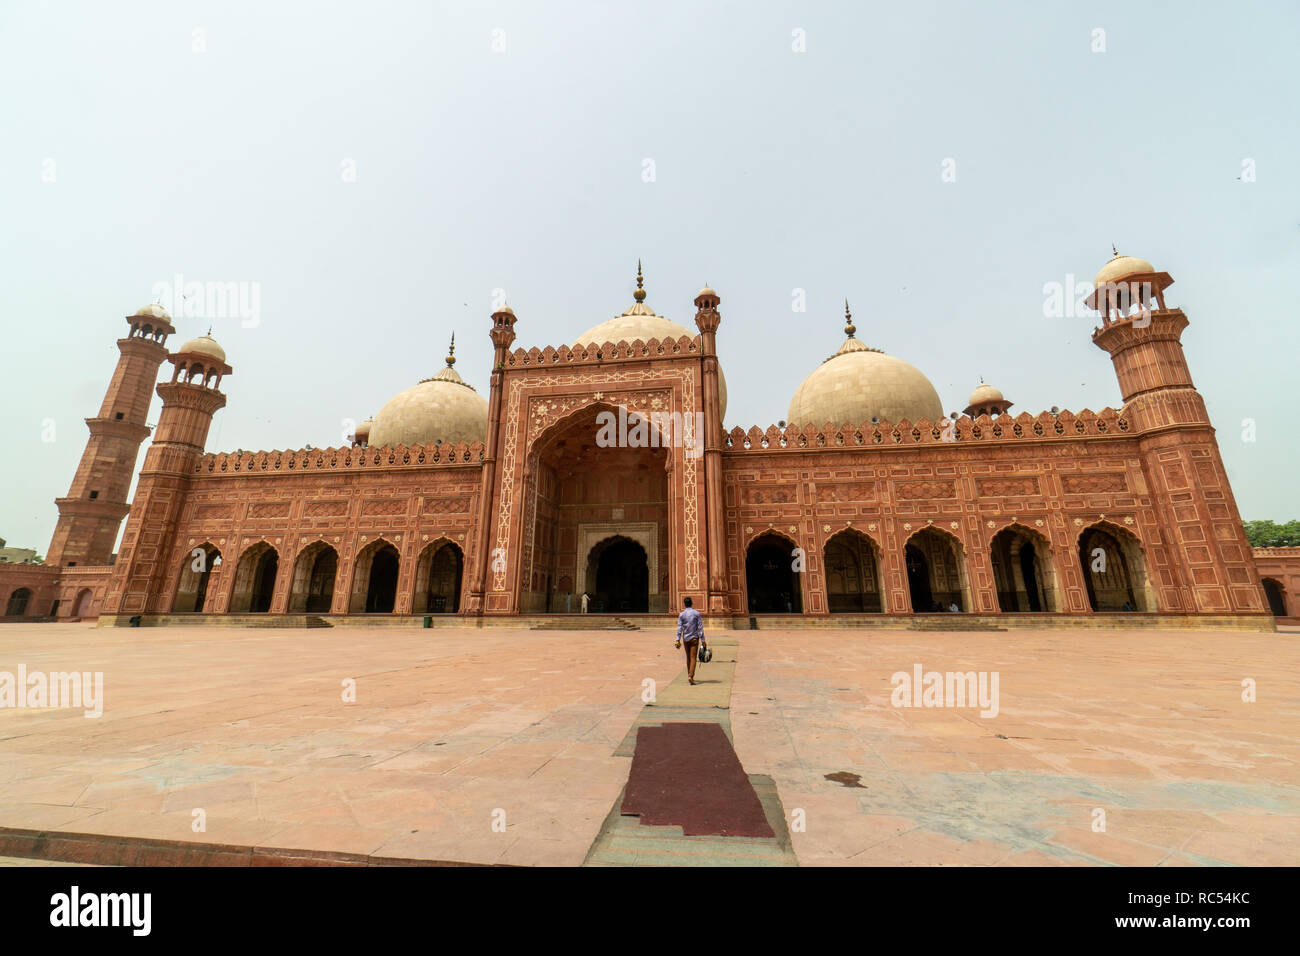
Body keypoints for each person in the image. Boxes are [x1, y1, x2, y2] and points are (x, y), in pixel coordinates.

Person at [674, 596, 707, 686]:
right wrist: (703, 640)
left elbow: (679, 628)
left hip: (686, 639)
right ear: (692, 603)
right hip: (694, 639)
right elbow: (700, 628)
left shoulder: (682, 615)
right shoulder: (697, 614)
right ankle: (691, 676)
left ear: (684, 604)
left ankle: (689, 674)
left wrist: (677, 639)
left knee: (688, 657)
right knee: (693, 658)